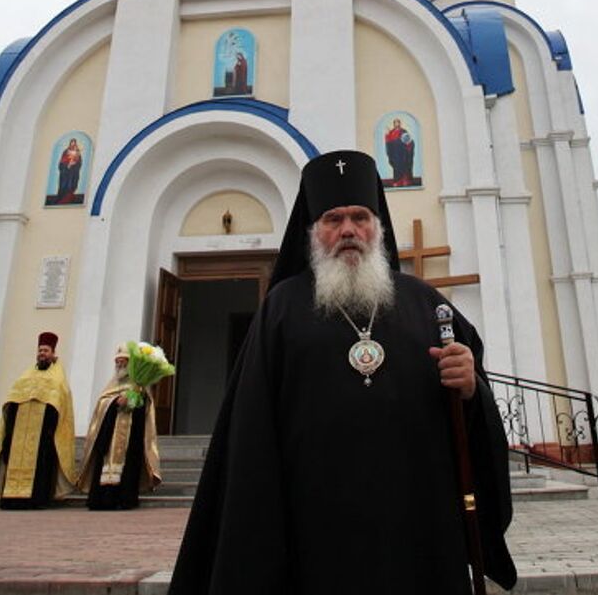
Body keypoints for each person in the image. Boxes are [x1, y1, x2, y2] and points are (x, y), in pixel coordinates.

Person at [168, 150, 516, 595]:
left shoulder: (428, 305)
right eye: (333, 219)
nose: (348, 229)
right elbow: (250, 428)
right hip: (311, 526)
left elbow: (473, 420)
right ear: (312, 233)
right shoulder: (280, 309)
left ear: (378, 227)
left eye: (359, 216)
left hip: (418, 522)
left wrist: (471, 389)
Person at [0, 331, 76, 509]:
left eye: (46, 350)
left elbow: (60, 403)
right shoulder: (26, 375)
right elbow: (13, 399)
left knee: (40, 468)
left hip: (42, 433)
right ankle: (11, 500)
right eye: (40, 350)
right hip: (19, 431)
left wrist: (50, 429)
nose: (42, 353)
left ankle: (35, 500)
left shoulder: (57, 378)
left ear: (53, 354)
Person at [77, 343, 161, 509]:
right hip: (109, 435)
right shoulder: (111, 385)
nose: (121, 365)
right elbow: (101, 405)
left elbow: (145, 408)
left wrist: (132, 400)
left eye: (124, 362)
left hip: (130, 435)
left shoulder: (139, 385)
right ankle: (101, 500)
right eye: (118, 362)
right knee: (105, 467)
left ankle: (124, 499)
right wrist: (115, 401)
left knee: (127, 468)